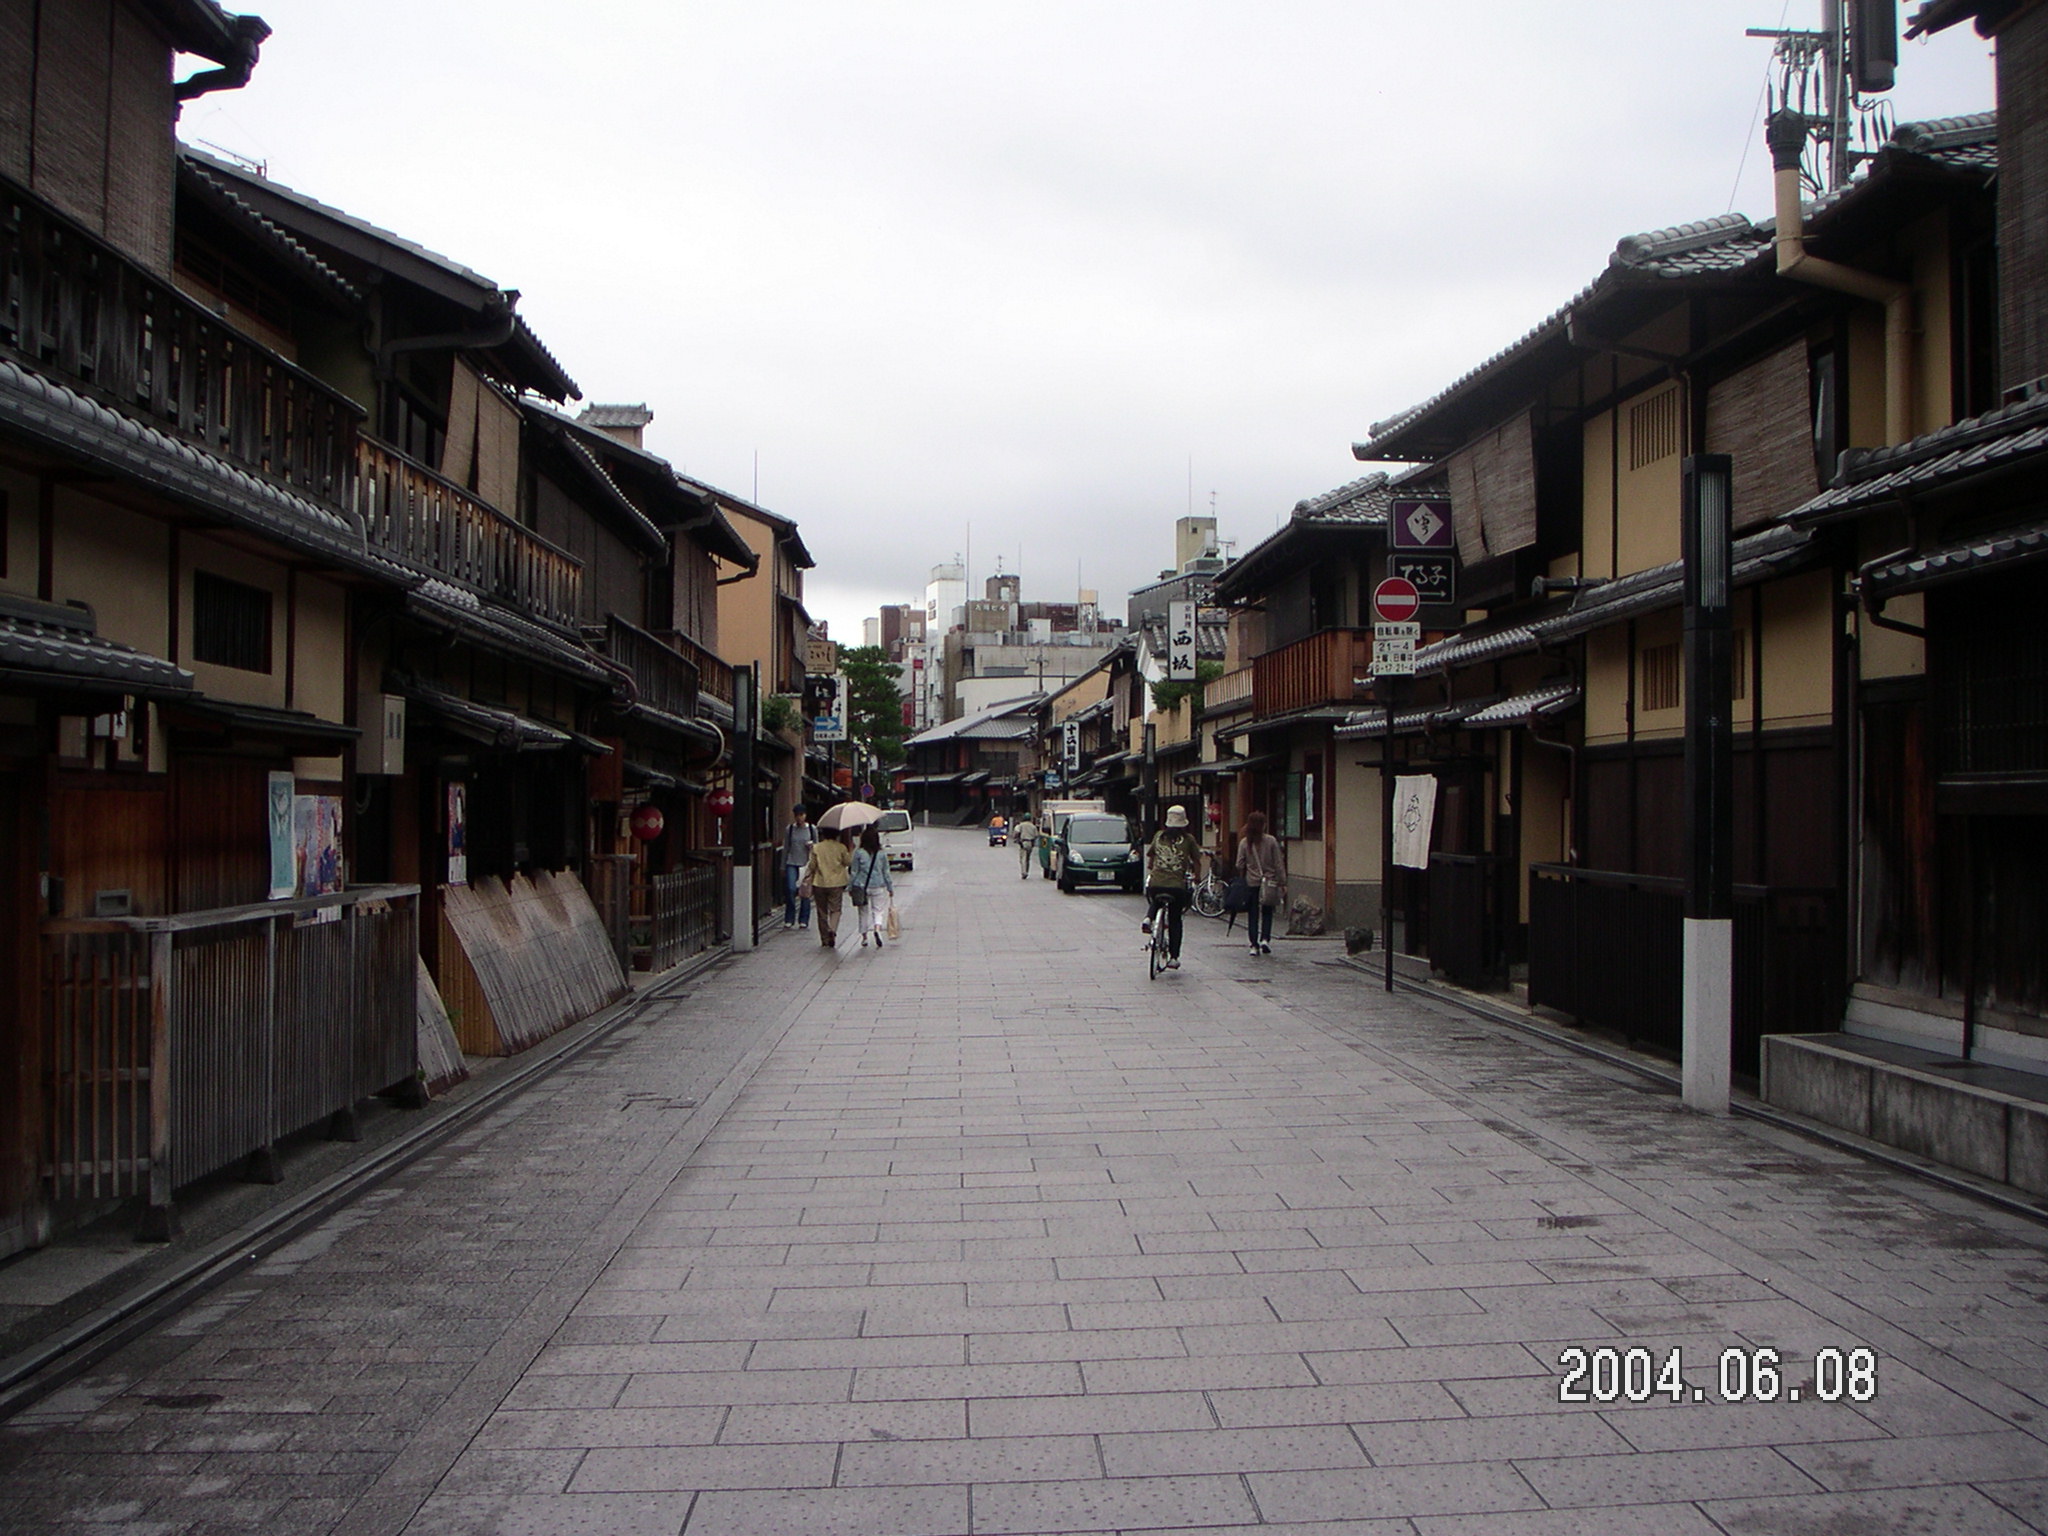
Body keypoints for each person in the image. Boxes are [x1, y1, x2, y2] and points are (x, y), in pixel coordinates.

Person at [1145, 804, 1203, 970]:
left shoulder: (1158, 836)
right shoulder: (1189, 839)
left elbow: (1150, 860)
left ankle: (1148, 918)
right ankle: (1174, 957)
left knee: (1156, 896)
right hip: (1177, 886)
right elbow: (1197, 861)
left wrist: (1156, 869)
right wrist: (1197, 877)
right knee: (1175, 919)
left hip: (1156, 883)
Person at [1237, 809, 1285, 956]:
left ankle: (1253, 945)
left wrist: (1248, 869)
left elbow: (1239, 864)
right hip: (1269, 882)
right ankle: (1265, 938)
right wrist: (1282, 881)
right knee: (1267, 911)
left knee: (1252, 914)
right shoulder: (1271, 841)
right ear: (1263, 825)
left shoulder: (1245, 843)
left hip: (1252, 882)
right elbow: (1278, 863)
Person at [802, 826, 854, 948]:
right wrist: (850, 851)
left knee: (822, 911)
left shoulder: (817, 848)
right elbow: (848, 862)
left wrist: (807, 875)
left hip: (819, 882)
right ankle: (832, 929)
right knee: (835, 909)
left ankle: (825, 939)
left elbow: (812, 865)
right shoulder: (841, 847)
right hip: (836, 883)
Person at [850, 825, 895, 948]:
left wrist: (850, 887)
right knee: (878, 910)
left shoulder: (859, 853)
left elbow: (854, 871)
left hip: (862, 886)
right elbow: (886, 872)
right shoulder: (881, 854)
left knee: (863, 912)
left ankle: (864, 937)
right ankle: (877, 928)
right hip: (878, 885)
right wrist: (890, 887)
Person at [781, 805, 816, 930]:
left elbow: (817, 848)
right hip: (792, 862)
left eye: (801, 815)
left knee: (805, 893)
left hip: (806, 864)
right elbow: (786, 848)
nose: (799, 818)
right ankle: (789, 918)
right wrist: (783, 866)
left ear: (805, 815)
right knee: (790, 889)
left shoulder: (812, 829)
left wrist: (812, 846)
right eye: (797, 815)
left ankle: (803, 919)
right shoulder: (790, 829)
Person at [1013, 813, 1040, 878]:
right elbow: (1036, 835)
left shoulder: (1021, 825)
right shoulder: (1033, 826)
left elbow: (1017, 832)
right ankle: (1027, 871)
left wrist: (1016, 838)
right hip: (1030, 843)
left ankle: (1024, 872)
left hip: (1023, 842)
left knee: (1023, 858)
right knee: (1028, 858)